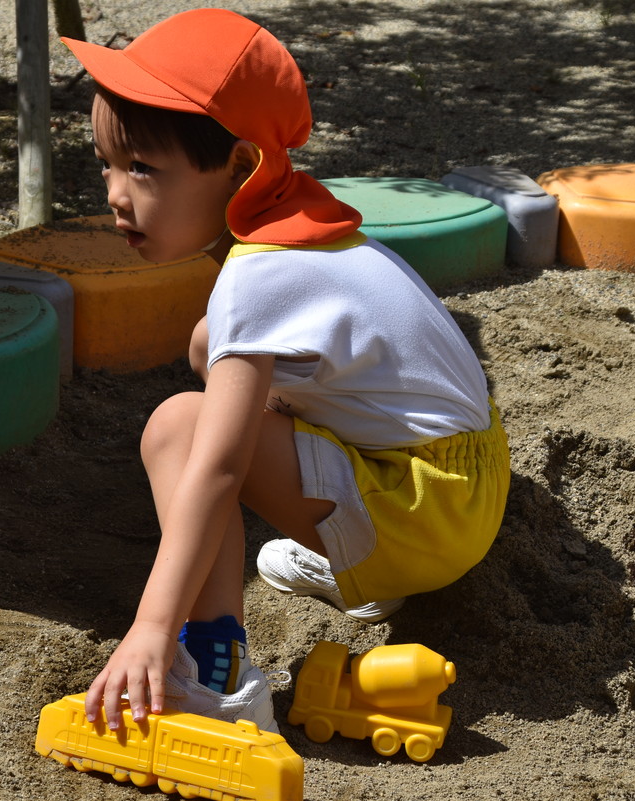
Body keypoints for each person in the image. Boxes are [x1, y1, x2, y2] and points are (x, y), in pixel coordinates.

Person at [61, 8, 510, 734]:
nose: (115, 192)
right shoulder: (297, 224)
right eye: (107, 164)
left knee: (179, 429)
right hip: (463, 489)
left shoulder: (257, 274)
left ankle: (215, 671)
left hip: (425, 514)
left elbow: (218, 467)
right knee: (209, 348)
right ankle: (359, 571)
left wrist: (151, 625)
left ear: (239, 167)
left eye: (142, 168)